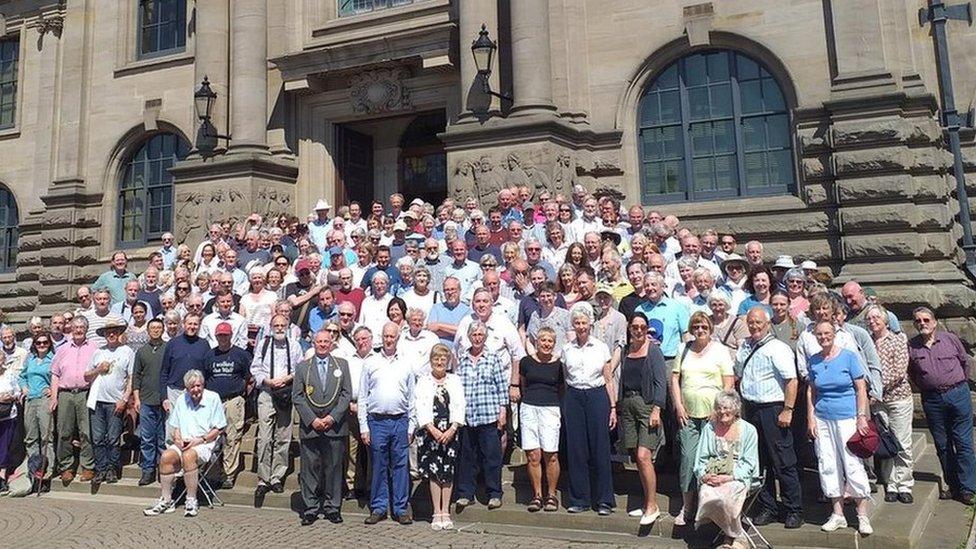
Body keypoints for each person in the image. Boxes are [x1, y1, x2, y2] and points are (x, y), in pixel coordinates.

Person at [734, 307, 803, 529]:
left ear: (767, 324)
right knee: (759, 461)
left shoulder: (778, 348)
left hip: (773, 409)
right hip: (750, 409)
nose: (754, 326)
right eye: (751, 323)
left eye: (758, 323)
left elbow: (791, 380)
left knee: (783, 461)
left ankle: (794, 509)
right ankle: (769, 507)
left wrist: (788, 409)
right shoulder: (744, 347)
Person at [806, 320, 873, 535]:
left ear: (834, 334)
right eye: (819, 334)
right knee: (827, 463)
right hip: (823, 418)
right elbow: (812, 391)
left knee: (852, 463)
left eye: (827, 333)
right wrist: (811, 417)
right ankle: (838, 513)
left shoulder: (848, 357)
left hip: (847, 417)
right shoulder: (814, 360)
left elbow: (860, 388)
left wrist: (861, 416)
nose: (823, 337)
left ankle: (862, 515)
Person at [671, 312, 735, 526]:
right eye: (696, 326)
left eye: (704, 327)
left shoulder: (720, 350)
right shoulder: (684, 348)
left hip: (714, 417)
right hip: (688, 415)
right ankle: (687, 506)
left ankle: (709, 508)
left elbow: (728, 382)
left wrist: (718, 409)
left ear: (710, 329)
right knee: (688, 459)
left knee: (712, 461)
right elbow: (675, 378)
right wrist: (678, 405)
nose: (700, 331)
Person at [907, 306, 975, 505]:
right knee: (942, 444)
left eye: (926, 320)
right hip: (932, 400)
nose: (923, 324)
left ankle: (968, 488)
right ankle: (953, 486)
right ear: (914, 324)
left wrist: (957, 382)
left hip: (958, 394)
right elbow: (912, 373)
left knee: (963, 442)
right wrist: (929, 387)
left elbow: (965, 362)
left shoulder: (949, 339)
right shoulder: (912, 346)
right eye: (918, 321)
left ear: (934, 322)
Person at [143, 370, 227, 518]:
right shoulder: (182, 399)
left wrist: (200, 440)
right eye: (191, 387)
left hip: (205, 442)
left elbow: (219, 428)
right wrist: (178, 438)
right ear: (187, 389)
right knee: (166, 456)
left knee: (189, 456)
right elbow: (176, 427)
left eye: (198, 386)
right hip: (184, 442)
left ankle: (191, 500)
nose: (195, 390)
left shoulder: (213, 398)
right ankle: (167, 500)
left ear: (203, 384)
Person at [294, 329, 352, 526]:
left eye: (326, 341)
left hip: (334, 427)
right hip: (311, 427)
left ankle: (332, 507)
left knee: (334, 467)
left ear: (331, 343)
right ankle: (310, 508)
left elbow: (346, 394)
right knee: (310, 468)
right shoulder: (303, 367)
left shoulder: (342, 365)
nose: (322, 345)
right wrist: (312, 420)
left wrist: (332, 418)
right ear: (313, 343)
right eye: (319, 341)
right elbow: (298, 396)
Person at [562, 305, 616, 515]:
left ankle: (604, 500)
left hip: (597, 395)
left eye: (584, 323)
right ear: (573, 325)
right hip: (575, 396)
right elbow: (566, 378)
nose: (581, 326)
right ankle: (579, 499)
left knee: (600, 447)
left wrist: (612, 407)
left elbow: (609, 379)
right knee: (576, 448)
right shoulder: (567, 349)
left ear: (590, 324)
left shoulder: (601, 347)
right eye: (577, 323)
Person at [360, 322, 415, 525]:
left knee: (401, 465)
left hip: (400, 419)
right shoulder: (370, 362)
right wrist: (364, 427)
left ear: (398, 337)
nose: (389, 340)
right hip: (377, 421)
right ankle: (379, 507)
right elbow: (363, 397)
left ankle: (400, 508)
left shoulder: (406, 364)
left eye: (392, 336)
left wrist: (411, 426)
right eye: (385, 336)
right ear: (381, 337)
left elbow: (412, 397)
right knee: (378, 465)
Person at [693, 391, 761, 549]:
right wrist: (705, 476)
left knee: (727, 497)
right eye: (719, 408)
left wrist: (728, 478)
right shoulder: (709, 429)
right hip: (714, 473)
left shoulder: (749, 430)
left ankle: (730, 538)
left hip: (738, 476)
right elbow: (701, 458)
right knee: (707, 494)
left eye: (726, 408)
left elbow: (750, 464)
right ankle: (737, 536)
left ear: (736, 409)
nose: (722, 411)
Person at [454, 321, 509, 511]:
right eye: (474, 335)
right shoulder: (461, 359)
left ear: (485, 337)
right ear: (469, 337)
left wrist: (503, 412)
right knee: (466, 457)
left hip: (488, 415)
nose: (477, 338)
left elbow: (502, 387)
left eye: (480, 335)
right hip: (467, 416)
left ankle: (494, 494)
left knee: (491, 457)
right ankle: (465, 494)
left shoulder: (493, 358)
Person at [619, 314, 667, 525]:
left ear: (647, 329)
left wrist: (657, 408)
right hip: (628, 406)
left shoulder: (653, 350)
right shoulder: (625, 351)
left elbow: (660, 382)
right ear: (630, 328)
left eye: (642, 327)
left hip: (647, 406)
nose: (638, 330)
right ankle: (648, 501)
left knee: (644, 455)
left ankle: (652, 505)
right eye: (635, 327)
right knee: (636, 458)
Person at [865, 304, 914, 503]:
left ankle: (904, 484)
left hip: (898, 398)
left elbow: (899, 371)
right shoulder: (866, 342)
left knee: (902, 442)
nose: (872, 321)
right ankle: (890, 484)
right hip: (877, 402)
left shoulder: (897, 340)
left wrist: (876, 389)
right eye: (869, 318)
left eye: (876, 317)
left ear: (885, 320)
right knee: (886, 443)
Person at [414, 344, 465, 530]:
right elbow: (419, 405)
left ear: (448, 361)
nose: (440, 361)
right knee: (435, 472)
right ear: (431, 360)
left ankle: (446, 511)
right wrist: (432, 429)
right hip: (430, 432)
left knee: (448, 471)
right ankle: (437, 511)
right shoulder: (423, 381)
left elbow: (460, 405)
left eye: (443, 358)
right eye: (436, 358)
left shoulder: (455, 380)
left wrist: (452, 429)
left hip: (450, 431)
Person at [251, 313, 302, 497]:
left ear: (287, 327)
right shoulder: (264, 345)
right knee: (265, 438)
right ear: (271, 327)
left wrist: (289, 377)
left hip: (286, 394)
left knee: (283, 436)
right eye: (276, 325)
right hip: (267, 392)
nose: (279, 328)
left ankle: (277, 476)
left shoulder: (294, 346)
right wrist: (268, 381)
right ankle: (263, 478)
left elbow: (300, 368)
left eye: (282, 325)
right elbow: (255, 368)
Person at [201, 322, 253, 489]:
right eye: (220, 335)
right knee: (212, 439)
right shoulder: (209, 355)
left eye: (225, 335)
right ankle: (215, 474)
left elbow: (248, 378)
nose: (223, 338)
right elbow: (204, 377)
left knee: (232, 437)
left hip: (233, 400)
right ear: (216, 336)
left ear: (231, 335)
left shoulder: (241, 355)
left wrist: (241, 395)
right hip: (214, 402)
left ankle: (229, 474)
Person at [518, 327, 565, 513]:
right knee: (533, 455)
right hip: (529, 408)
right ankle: (537, 495)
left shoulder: (559, 365)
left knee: (551, 454)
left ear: (554, 344)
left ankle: (551, 495)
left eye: (550, 341)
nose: (546, 344)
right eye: (543, 340)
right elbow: (523, 384)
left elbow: (561, 389)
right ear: (537, 341)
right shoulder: (526, 362)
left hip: (550, 408)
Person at [84, 319, 134, 484]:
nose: (111, 334)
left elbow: (131, 378)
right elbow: (86, 375)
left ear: (119, 333)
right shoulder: (99, 352)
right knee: (97, 438)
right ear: (104, 335)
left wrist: (125, 399)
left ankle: (113, 468)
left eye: (114, 331)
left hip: (115, 401)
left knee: (113, 438)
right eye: (108, 332)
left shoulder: (127, 351)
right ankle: (101, 469)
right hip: (97, 400)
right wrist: (99, 369)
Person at [49, 316, 98, 483]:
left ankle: (88, 466)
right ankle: (66, 467)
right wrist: (54, 397)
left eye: (82, 327)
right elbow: (55, 374)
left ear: (86, 329)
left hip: (85, 393)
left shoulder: (94, 348)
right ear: (71, 329)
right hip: (65, 394)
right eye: (76, 327)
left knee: (86, 431)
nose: (78, 330)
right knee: (64, 431)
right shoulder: (62, 349)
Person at [131, 318, 167, 486]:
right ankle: (148, 470)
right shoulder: (142, 351)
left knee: (162, 438)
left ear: (163, 329)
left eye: (159, 328)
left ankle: (163, 469)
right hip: (145, 400)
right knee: (147, 438)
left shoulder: (168, 349)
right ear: (148, 330)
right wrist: (137, 398)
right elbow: (136, 376)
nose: (155, 330)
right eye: (152, 328)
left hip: (164, 400)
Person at [19, 332, 56, 482]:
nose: (41, 345)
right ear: (34, 345)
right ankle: (34, 468)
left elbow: (57, 376)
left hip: (43, 399)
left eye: (45, 342)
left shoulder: (53, 358)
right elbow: (22, 376)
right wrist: (23, 387)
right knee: (31, 437)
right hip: (30, 399)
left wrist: (52, 390)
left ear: (49, 343)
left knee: (47, 436)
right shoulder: (31, 359)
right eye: (38, 343)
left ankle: (48, 469)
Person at [0, 347, 19, 493]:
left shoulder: (10, 374)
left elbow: (18, 391)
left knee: (4, 447)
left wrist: (11, 396)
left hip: (7, 415)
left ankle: (2, 478)